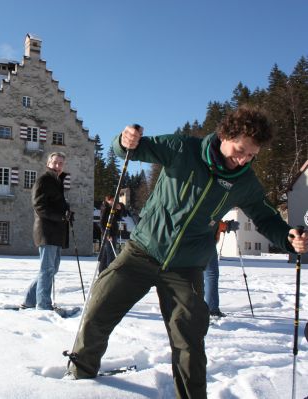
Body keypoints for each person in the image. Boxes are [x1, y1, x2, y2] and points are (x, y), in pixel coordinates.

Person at [66, 106, 308, 399]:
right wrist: (124, 139)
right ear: (224, 135)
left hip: (187, 266)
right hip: (142, 251)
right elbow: (130, 149)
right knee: (99, 307)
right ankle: (80, 375)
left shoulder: (244, 182)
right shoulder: (182, 149)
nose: (243, 159)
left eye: (251, 155)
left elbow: (266, 217)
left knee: (189, 341)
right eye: (240, 150)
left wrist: (287, 236)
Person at [22, 152, 71, 310]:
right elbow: (39, 206)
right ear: (49, 163)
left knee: (51, 269)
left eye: (61, 163)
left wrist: (67, 214)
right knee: (47, 269)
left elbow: (55, 205)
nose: (58, 165)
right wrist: (60, 217)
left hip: (56, 232)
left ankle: (30, 301)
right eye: (55, 162)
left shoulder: (57, 181)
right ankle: (43, 305)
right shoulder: (44, 180)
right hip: (46, 231)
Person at [204, 220, 238, 318]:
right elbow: (211, 221)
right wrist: (227, 225)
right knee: (211, 276)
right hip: (205, 244)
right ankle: (212, 309)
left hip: (189, 246)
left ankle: (196, 307)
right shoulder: (207, 207)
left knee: (197, 275)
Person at [98, 195, 122, 274]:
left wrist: (118, 210)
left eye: (114, 200)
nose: (113, 202)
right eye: (112, 200)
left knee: (105, 255)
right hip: (108, 235)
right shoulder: (105, 208)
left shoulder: (112, 208)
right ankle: (109, 273)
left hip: (113, 233)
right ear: (108, 200)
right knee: (110, 255)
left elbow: (118, 218)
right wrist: (107, 234)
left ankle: (102, 272)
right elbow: (102, 223)